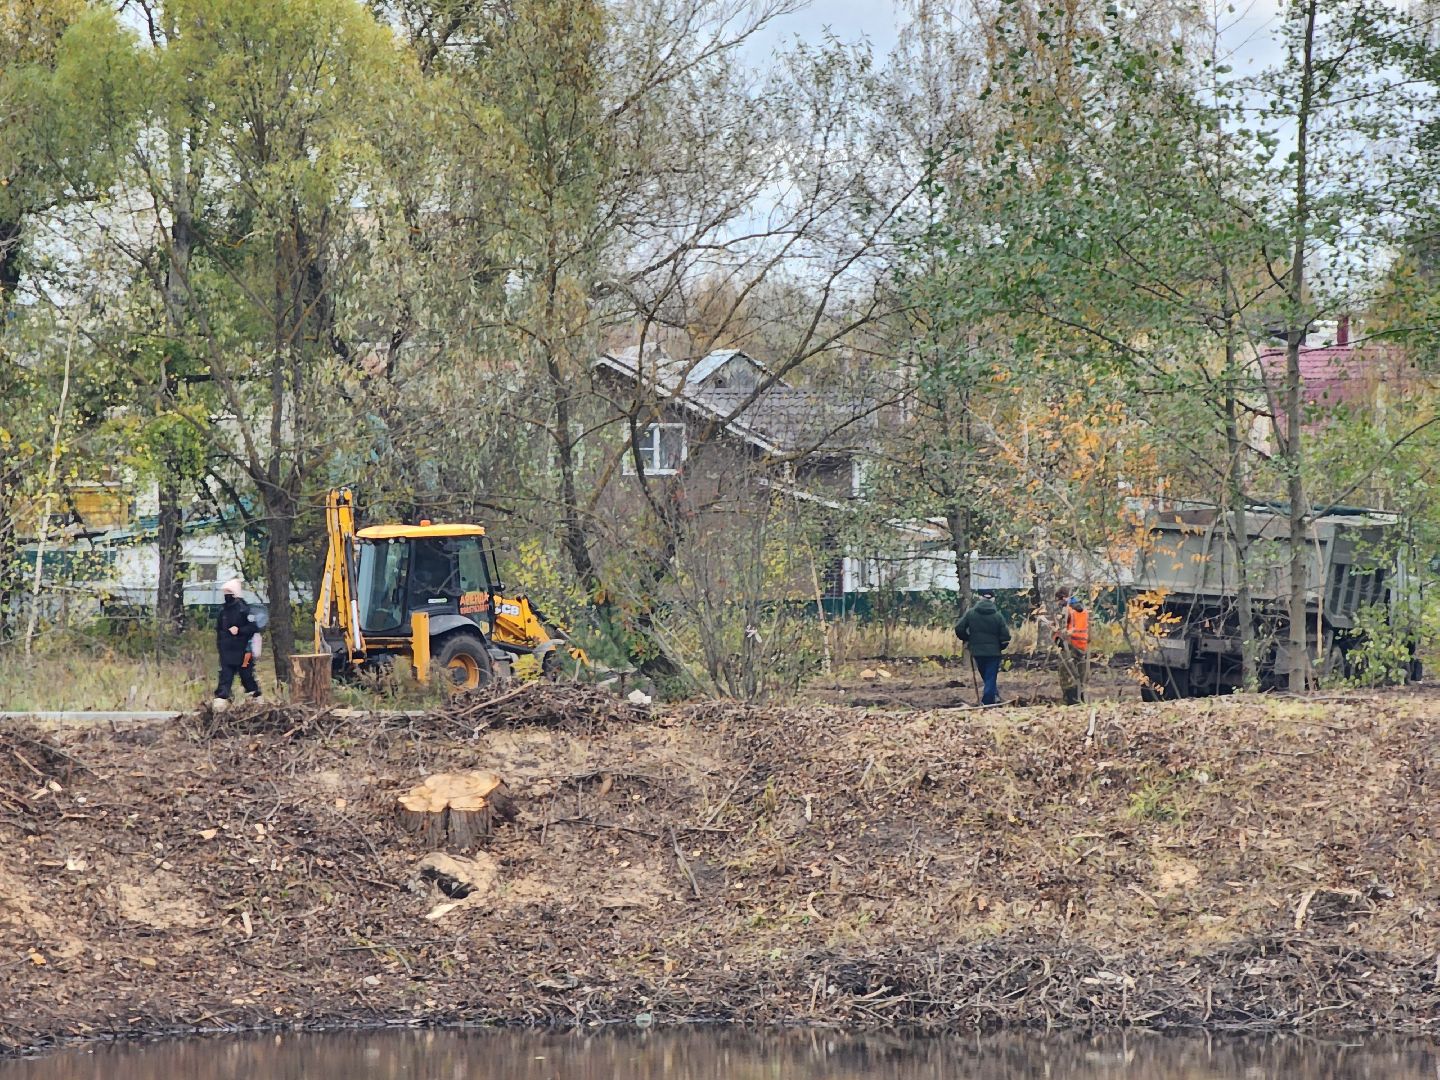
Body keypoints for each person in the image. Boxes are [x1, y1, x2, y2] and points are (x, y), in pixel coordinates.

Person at [955, 590, 1011, 705]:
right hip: (993, 653)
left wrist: (967, 638)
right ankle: (988, 701)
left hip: (977, 652)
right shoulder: (998, 616)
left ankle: (994, 696)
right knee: (990, 677)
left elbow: (959, 628)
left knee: (987, 677)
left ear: (980, 598)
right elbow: (1006, 636)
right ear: (993, 600)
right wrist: (1000, 647)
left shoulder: (970, 613)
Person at [214, 578, 262, 709]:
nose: (226, 595)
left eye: (229, 592)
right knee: (225, 677)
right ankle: (221, 703)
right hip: (227, 653)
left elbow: (254, 628)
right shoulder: (222, 611)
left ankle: (256, 701)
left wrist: (239, 630)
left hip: (244, 653)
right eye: (225, 592)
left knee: (247, 677)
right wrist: (221, 647)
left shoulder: (245, 610)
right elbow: (219, 630)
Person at [1051, 588, 1090, 705]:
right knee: (1081, 675)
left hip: (1070, 645)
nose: (1057, 603)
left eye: (1058, 600)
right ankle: (1080, 700)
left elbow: (1060, 629)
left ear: (1063, 598)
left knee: (1066, 674)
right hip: (1083, 646)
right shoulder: (1084, 610)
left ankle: (1070, 701)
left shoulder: (1067, 611)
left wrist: (1057, 638)